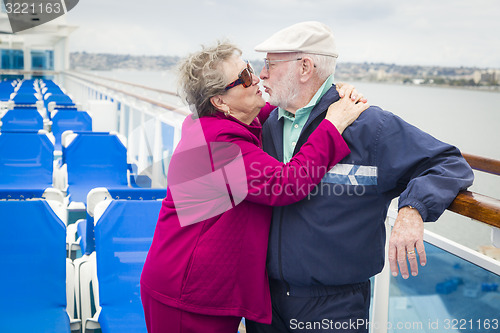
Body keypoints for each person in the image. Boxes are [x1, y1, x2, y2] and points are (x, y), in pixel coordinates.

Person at [245, 21, 474, 333]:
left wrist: (413, 208)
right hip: (265, 305)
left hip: (334, 309)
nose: (262, 74)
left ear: (305, 68)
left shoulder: (369, 128)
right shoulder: (267, 124)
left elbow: (448, 162)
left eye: (270, 64)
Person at [140, 41, 369, 333]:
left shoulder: (221, 122)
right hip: (184, 295)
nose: (257, 78)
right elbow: (288, 184)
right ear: (220, 102)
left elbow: (280, 109)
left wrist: (327, 91)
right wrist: (333, 123)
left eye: (250, 68)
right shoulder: (219, 145)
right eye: (245, 78)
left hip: (199, 288)